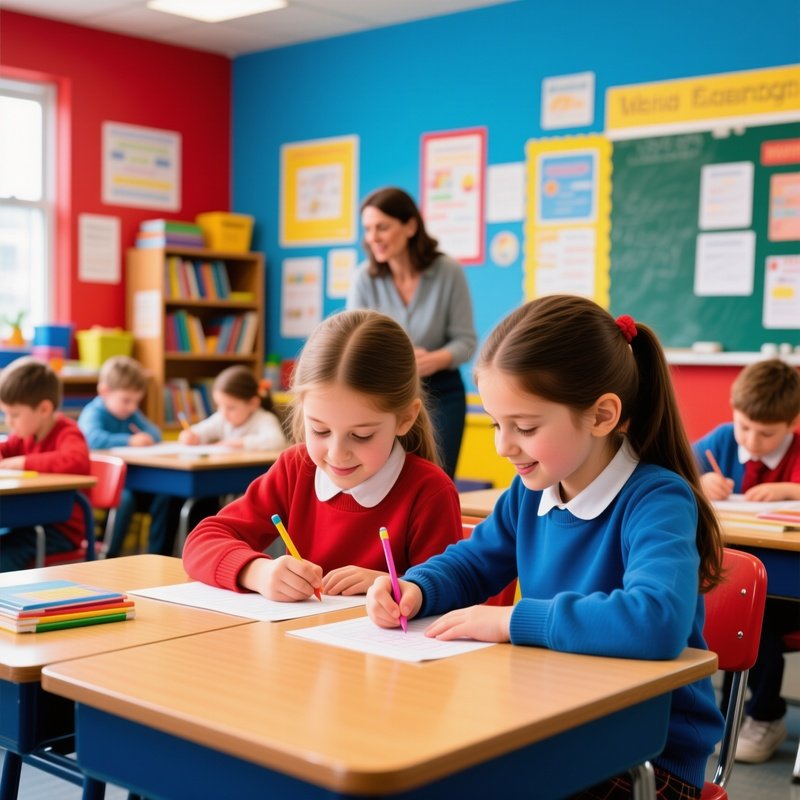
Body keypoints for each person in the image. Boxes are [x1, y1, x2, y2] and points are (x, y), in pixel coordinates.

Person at [367, 295, 725, 800]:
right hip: (549, 723)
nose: (503, 446)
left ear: (602, 415)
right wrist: (417, 588)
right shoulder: (530, 493)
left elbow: (657, 621)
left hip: (645, 757)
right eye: (497, 424)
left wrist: (511, 622)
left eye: (526, 427)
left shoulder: (657, 500)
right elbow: (472, 564)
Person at [183, 309, 462, 601]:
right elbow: (202, 542)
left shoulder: (428, 491)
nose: (337, 454)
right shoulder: (295, 469)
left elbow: (453, 589)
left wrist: (399, 585)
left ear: (405, 419)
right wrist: (257, 572)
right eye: (320, 430)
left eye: (362, 435)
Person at [694, 358, 800, 763]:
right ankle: (725, 715)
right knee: (725, 604)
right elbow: (673, 471)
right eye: (744, 427)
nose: (752, 441)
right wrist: (699, 481)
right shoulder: (722, 440)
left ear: (792, 423)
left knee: (757, 618)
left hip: (787, 593)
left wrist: (790, 490)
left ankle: (764, 715)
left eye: (767, 433)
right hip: (733, 575)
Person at [346, 187, 477, 479]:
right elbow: (353, 343)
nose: (373, 237)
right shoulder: (363, 278)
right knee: (388, 480)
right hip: (385, 393)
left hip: (442, 391)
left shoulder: (448, 271)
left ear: (410, 226)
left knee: (438, 477)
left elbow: (466, 341)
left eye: (382, 227)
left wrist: (435, 360)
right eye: (367, 229)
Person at [78, 355, 180, 557]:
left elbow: (155, 433)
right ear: (104, 391)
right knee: (124, 499)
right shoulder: (94, 412)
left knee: (167, 494)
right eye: (126, 400)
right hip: (102, 483)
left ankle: (158, 555)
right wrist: (129, 440)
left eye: (136, 402)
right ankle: (110, 555)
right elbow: (91, 439)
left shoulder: (130, 414)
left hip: (133, 481)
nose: (132, 407)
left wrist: (146, 437)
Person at [0, 357, 90, 571]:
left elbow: (76, 460)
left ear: (44, 409)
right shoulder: (24, 435)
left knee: (5, 555)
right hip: (27, 521)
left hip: (59, 530)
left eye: (14, 414)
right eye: (5, 414)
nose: (8, 421)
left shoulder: (67, 432)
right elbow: (4, 450)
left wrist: (22, 463)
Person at [178, 365, 287, 451]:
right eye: (218, 405)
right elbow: (199, 431)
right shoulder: (221, 418)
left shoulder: (264, 419)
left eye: (230, 408)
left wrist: (237, 443)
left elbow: (277, 442)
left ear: (253, 404)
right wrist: (190, 436)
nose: (223, 412)